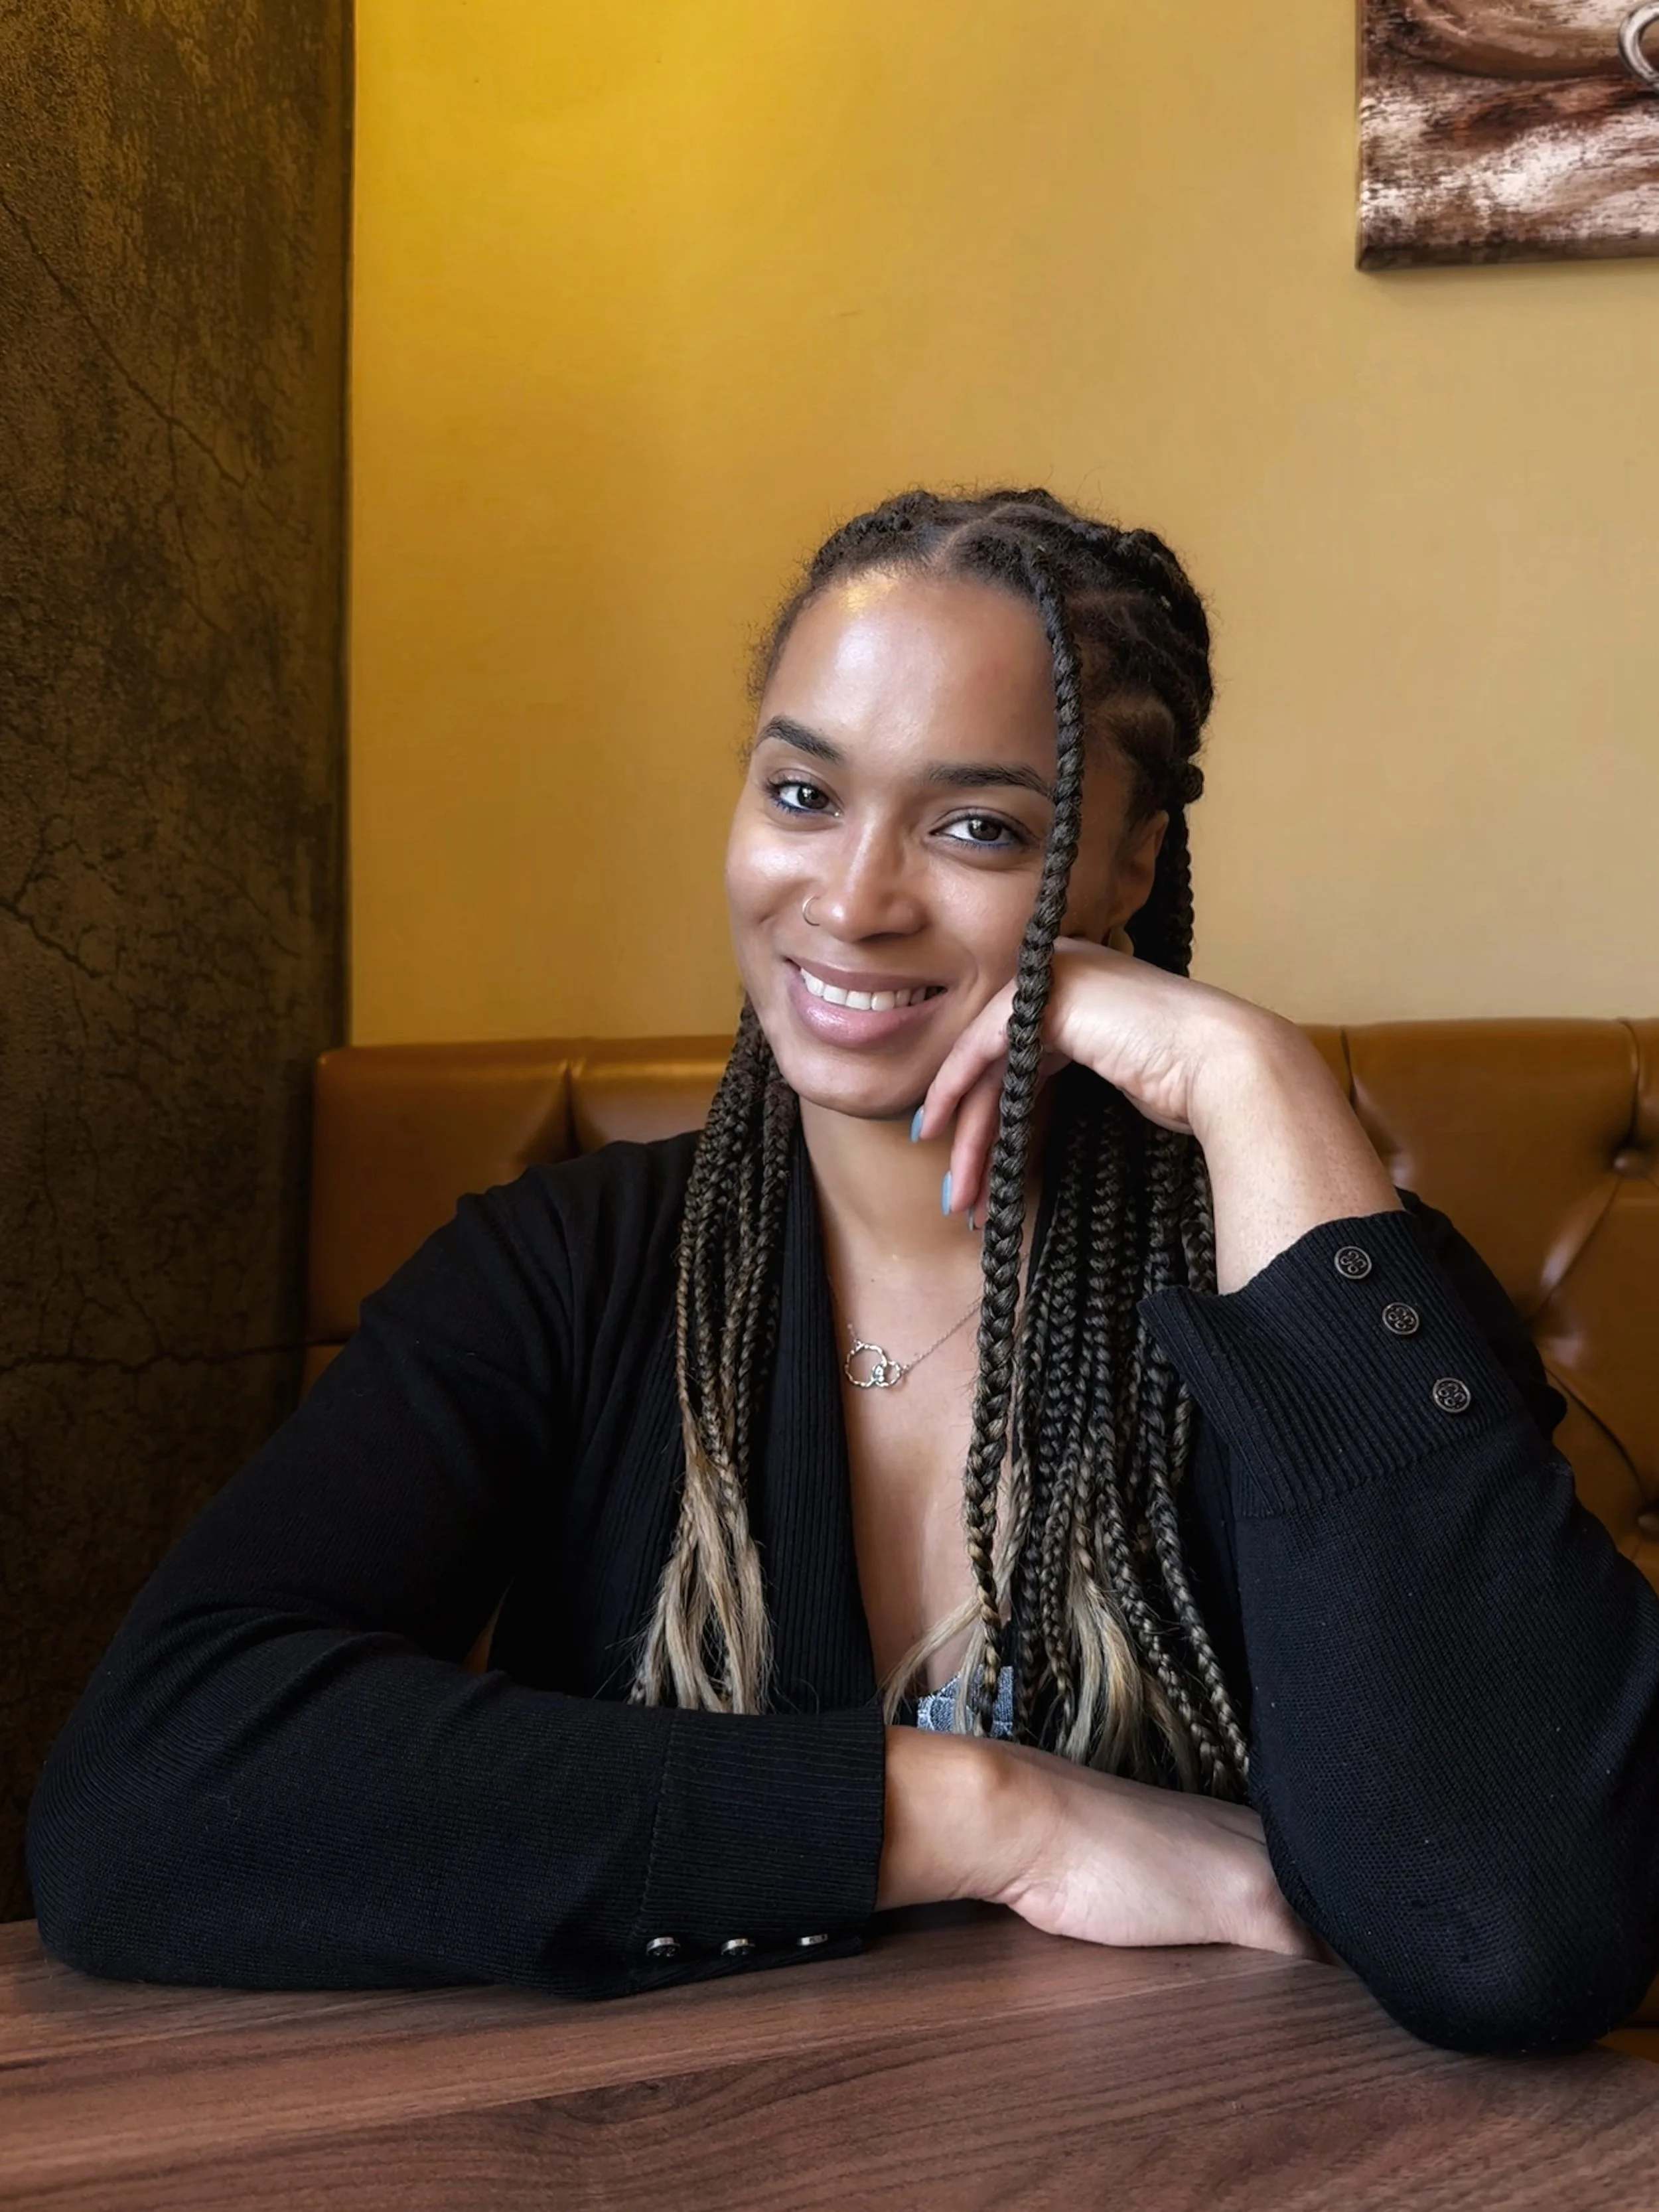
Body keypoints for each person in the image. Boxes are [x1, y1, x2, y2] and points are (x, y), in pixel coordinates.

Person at [26, 489, 1659, 2053]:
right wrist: (982, 1812)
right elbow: (147, 1796)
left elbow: (1519, 1927)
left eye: (976, 827)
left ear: (1125, 868)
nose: (854, 900)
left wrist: (1257, 1082)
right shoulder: (562, 1270)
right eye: (802, 794)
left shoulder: (1309, 1288)